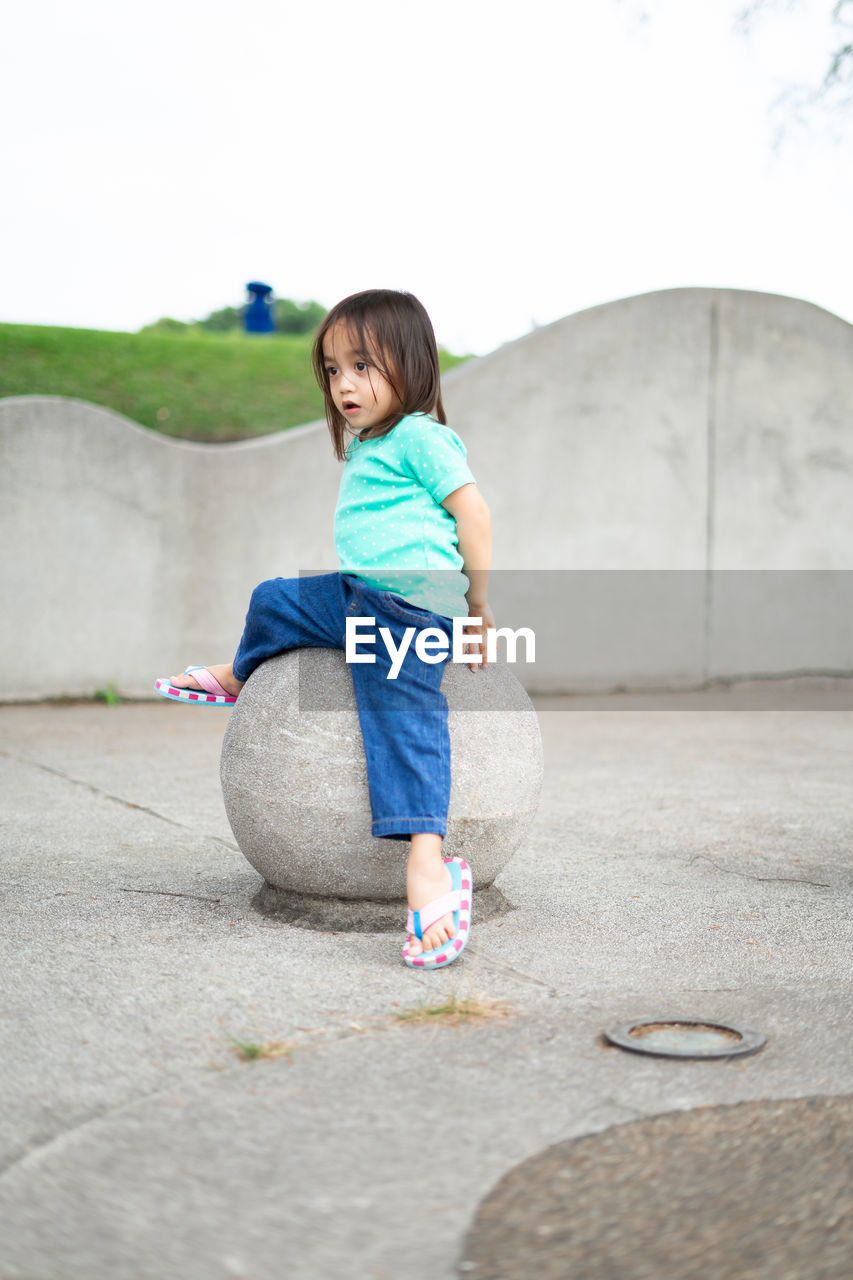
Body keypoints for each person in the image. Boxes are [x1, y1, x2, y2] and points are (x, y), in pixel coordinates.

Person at [155, 289, 493, 969]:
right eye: (333, 369)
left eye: (363, 366)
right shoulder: (368, 444)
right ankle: (239, 672)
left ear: (411, 364)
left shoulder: (422, 436)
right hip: (357, 596)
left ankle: (428, 868)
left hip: (411, 611)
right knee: (273, 600)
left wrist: (478, 611)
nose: (344, 384)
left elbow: (475, 517)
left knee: (400, 716)